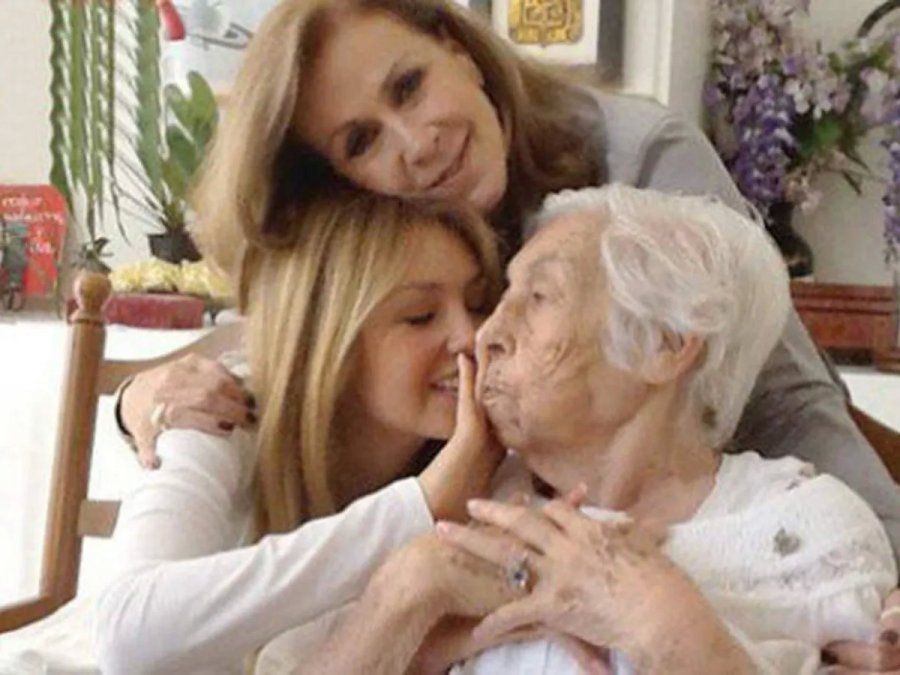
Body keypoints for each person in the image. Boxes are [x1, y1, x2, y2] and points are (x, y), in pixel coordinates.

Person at [115, 0, 900, 567]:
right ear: (340, 181)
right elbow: (304, 347)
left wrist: (883, 578)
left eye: (409, 86)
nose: (417, 145)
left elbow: (787, 400)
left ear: (456, 44)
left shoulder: (637, 159)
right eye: (361, 141)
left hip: (700, 536)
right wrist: (139, 401)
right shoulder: (393, 223)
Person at [295, 185, 898, 675]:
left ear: (664, 346)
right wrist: (406, 592)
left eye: (538, 297)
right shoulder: (454, 518)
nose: (485, 335)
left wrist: (663, 628)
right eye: (502, 298)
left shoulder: (807, 530)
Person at [96, 193, 517, 672]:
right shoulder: (220, 408)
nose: (470, 336)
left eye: (479, 303)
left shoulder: (493, 450)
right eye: (420, 315)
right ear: (329, 336)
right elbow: (126, 636)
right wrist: (418, 506)